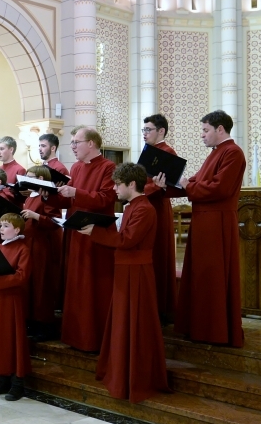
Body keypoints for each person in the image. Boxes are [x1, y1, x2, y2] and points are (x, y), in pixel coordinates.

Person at [154, 110, 246, 347]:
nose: (202, 135)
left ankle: (214, 330)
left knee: (212, 277)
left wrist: (187, 184)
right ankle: (198, 326)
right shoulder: (216, 153)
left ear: (220, 129)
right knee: (200, 275)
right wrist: (166, 186)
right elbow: (195, 182)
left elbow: (219, 188)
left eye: (206, 130)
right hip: (204, 221)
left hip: (218, 222)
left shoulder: (233, 153)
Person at [79, 163, 168, 403]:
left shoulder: (144, 209)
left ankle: (134, 378)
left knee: (135, 324)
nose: (114, 189)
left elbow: (127, 240)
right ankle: (119, 373)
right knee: (122, 323)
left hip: (136, 273)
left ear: (131, 184)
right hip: (125, 270)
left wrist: (94, 233)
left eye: (117, 185)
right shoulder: (132, 207)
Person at [57, 127, 117, 352]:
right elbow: (70, 202)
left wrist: (75, 193)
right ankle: (77, 336)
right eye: (71, 142)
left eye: (76, 142)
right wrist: (52, 195)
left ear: (91, 143)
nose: (72, 146)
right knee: (77, 285)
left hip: (96, 233)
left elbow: (106, 199)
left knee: (94, 286)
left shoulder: (108, 166)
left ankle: (96, 337)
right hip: (76, 232)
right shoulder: (76, 167)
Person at [0, 213, 31, 401]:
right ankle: (1, 379)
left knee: (12, 339)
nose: (1, 229)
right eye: (0, 225)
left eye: (6, 226)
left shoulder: (22, 249)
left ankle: (17, 383)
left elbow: (22, 276)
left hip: (11, 299)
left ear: (17, 230)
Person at [141, 114, 178, 323]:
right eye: (143, 130)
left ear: (161, 131)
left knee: (159, 255)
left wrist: (140, 190)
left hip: (158, 208)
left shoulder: (167, 152)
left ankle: (161, 307)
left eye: (148, 130)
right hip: (147, 206)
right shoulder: (150, 151)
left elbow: (163, 185)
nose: (144, 134)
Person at [20, 165, 62, 342]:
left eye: (30, 177)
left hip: (42, 245)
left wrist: (35, 216)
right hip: (29, 243)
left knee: (41, 286)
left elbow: (55, 221)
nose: (27, 180)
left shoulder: (48, 197)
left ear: (41, 179)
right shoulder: (31, 196)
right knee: (30, 285)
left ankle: (44, 325)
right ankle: (31, 322)